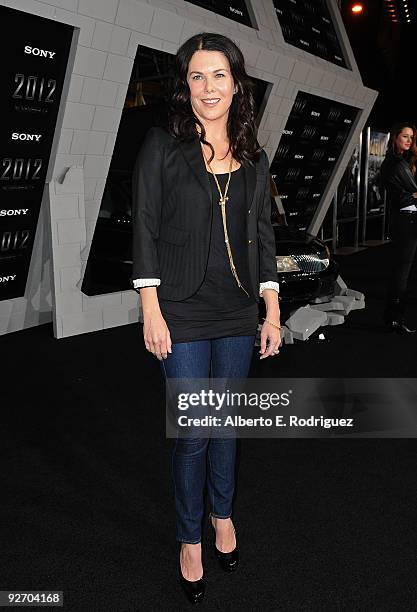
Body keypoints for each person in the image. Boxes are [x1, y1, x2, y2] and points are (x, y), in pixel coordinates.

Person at [130, 32, 281, 604]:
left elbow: (263, 237)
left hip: (240, 310)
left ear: (236, 82)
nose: (208, 87)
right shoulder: (162, 146)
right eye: (197, 76)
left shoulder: (254, 154)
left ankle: (223, 516)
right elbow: (143, 226)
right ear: (185, 84)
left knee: (228, 426)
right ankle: (189, 537)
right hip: (182, 311)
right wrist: (151, 309)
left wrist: (270, 309)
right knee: (194, 431)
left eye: (219, 75)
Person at [380, 122, 417, 333]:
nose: (409, 141)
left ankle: (393, 318)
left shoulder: (400, 162)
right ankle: (394, 319)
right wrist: (411, 195)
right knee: (401, 273)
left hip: (408, 220)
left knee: (402, 272)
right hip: (405, 221)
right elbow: (400, 197)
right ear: (395, 137)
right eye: (405, 136)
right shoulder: (394, 163)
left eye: (411, 138)